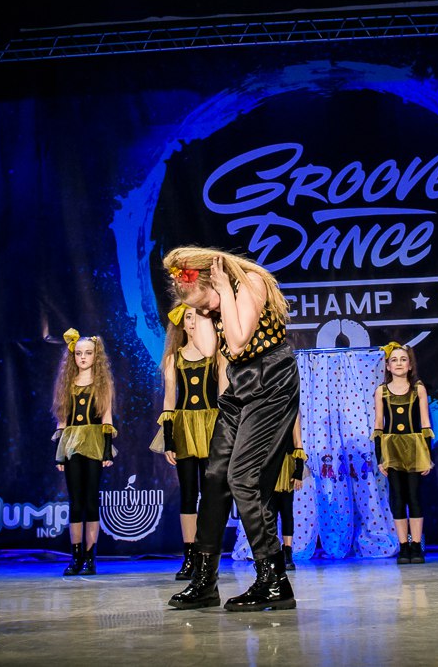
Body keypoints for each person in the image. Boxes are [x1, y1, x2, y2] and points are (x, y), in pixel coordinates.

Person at [163, 247, 300, 612]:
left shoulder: (250, 283)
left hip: (272, 380)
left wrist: (222, 292)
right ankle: (205, 581)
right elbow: (211, 348)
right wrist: (199, 308)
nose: (207, 309)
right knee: (214, 477)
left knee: (243, 477)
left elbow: (237, 343)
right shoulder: (210, 302)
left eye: (205, 300)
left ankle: (274, 580)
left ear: (216, 279)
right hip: (239, 386)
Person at [153, 303, 223, 580]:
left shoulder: (214, 355)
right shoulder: (174, 358)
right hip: (184, 427)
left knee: (210, 493)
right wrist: (168, 439)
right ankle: (190, 556)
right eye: (188, 318)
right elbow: (169, 398)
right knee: (188, 494)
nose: (192, 322)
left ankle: (207, 555)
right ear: (181, 324)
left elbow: (223, 393)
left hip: (210, 425)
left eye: (197, 317)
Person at [52, 328, 117, 576]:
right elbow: (62, 421)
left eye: (88, 353)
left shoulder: (102, 385)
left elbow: (107, 418)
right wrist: (59, 453)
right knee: (75, 502)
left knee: (91, 500)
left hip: (94, 442)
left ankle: (90, 556)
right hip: (71, 443)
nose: (82, 357)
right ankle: (76, 555)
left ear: (95, 356)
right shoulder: (67, 384)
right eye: (78, 353)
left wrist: (107, 451)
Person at [373, 342, 434, 564]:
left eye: (403, 359)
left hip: (414, 446)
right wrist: (380, 458)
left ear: (409, 365)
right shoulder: (381, 391)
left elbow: (425, 422)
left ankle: (416, 544)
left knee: (414, 496)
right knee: (397, 497)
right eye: (394, 360)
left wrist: (428, 456)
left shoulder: (418, 389)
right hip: (391, 448)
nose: (399, 363)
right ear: (388, 366)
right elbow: (379, 424)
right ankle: (403, 546)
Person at [273, 413, 307, 571]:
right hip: (269, 466)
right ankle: (272, 552)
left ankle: (287, 552)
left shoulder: (292, 411)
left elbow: (298, 442)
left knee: (286, 510)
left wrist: (298, 471)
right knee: (269, 512)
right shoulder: (265, 409)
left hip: (286, 466)